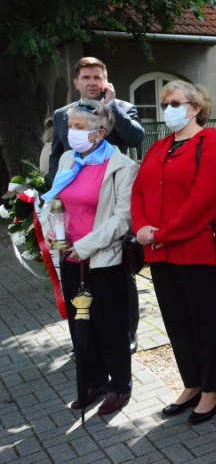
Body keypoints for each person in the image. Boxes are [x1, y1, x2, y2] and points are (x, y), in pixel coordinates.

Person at [130, 80, 216, 425]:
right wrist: (142, 228)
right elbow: (140, 191)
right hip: (159, 252)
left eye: (176, 103)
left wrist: (164, 233)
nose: (169, 109)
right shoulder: (158, 148)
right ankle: (191, 383)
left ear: (195, 108)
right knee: (175, 322)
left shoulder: (214, 147)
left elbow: (203, 201)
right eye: (165, 103)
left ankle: (212, 389)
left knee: (204, 323)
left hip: (194, 249)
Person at [41, 100, 139, 415]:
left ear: (99, 133)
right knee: (81, 326)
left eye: (78, 128)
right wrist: (51, 232)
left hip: (102, 260)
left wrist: (84, 245)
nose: (71, 134)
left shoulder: (122, 166)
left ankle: (120, 386)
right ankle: (92, 381)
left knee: (111, 325)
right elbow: (51, 199)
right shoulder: (69, 158)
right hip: (69, 259)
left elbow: (124, 218)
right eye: (70, 127)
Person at [49, 57, 145, 353]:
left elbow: (136, 137)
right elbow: (56, 152)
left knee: (120, 271)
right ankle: (87, 334)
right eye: (86, 77)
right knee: (82, 273)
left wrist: (113, 105)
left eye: (97, 77)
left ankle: (128, 331)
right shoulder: (63, 115)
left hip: (111, 202)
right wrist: (57, 186)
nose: (92, 82)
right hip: (76, 205)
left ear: (106, 81)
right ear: (76, 82)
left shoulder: (123, 108)